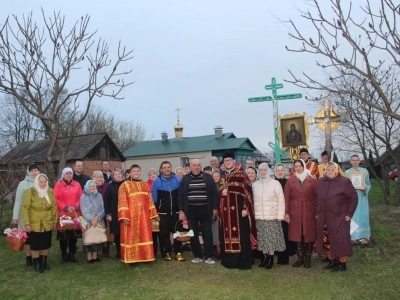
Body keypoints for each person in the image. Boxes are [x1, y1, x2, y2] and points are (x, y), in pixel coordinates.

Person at [219, 150, 257, 270]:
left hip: (239, 212)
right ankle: (230, 261)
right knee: (227, 236)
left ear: (234, 161)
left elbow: (248, 193)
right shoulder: (223, 176)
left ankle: (242, 261)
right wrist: (221, 191)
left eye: (229, 160)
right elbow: (219, 193)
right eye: (225, 160)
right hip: (227, 213)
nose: (228, 162)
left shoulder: (241, 174)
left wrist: (246, 208)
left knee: (242, 236)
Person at [316, 162, 358, 272]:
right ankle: (332, 261)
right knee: (327, 239)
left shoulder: (344, 182)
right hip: (324, 217)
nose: (330, 172)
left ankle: (342, 264)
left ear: (337, 170)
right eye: (327, 170)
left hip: (339, 217)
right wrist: (317, 212)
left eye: (332, 169)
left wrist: (349, 213)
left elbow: (353, 198)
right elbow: (316, 198)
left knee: (340, 240)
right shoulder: (321, 182)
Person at [178, 159, 218, 264]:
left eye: (198, 165)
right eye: (194, 165)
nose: (196, 167)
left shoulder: (208, 177)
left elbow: (214, 194)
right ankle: (198, 255)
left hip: (205, 209)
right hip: (190, 210)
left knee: (208, 232)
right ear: (190, 167)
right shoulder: (185, 179)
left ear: (201, 166)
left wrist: (214, 208)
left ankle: (209, 256)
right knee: (193, 233)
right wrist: (181, 210)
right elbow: (181, 195)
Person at [118, 164, 159, 267]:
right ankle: (132, 259)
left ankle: (146, 257)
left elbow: (150, 200)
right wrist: (124, 217)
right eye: (134, 171)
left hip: (144, 216)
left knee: (144, 235)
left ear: (140, 172)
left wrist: (154, 214)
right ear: (130, 173)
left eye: (138, 171)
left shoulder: (145, 184)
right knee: (132, 237)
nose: (136, 172)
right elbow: (122, 201)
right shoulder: (125, 185)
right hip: (131, 217)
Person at [284, 159, 317, 268]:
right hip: (295, 210)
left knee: (308, 233)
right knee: (297, 234)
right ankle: (300, 258)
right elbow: (286, 197)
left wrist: (317, 211)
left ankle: (308, 258)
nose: (298, 168)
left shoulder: (312, 179)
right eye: (296, 166)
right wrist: (287, 212)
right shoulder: (291, 180)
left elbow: (317, 197)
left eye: (300, 166)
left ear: (303, 166)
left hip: (309, 210)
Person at [252, 163, 285, 270]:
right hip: (259, 216)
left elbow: (281, 200)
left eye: (265, 170)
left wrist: (280, 215)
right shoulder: (255, 185)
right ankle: (265, 257)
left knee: (271, 239)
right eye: (261, 170)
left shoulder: (275, 183)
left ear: (269, 171)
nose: (263, 172)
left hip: (272, 216)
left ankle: (271, 258)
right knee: (262, 239)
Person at [21, 174, 57, 273]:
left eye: (44, 182)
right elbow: (25, 208)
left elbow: (54, 207)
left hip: (47, 222)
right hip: (34, 223)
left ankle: (44, 262)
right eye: (41, 182)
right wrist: (27, 223)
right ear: (37, 182)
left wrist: (54, 221)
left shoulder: (50, 191)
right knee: (35, 244)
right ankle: (37, 263)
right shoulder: (30, 192)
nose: (43, 184)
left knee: (45, 243)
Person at [152, 161, 184, 261]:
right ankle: (167, 253)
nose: (166, 169)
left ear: (171, 168)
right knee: (165, 234)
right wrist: (156, 213)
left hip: (177, 212)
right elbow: (155, 199)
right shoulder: (156, 181)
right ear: (161, 169)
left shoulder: (178, 180)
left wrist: (182, 211)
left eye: (168, 167)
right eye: (164, 167)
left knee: (177, 233)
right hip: (163, 213)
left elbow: (182, 197)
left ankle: (178, 252)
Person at [12, 163, 40, 267]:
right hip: (25, 215)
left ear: (39, 171)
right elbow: (18, 201)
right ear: (28, 172)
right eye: (32, 170)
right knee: (27, 238)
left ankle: (37, 256)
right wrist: (15, 218)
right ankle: (28, 257)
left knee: (36, 237)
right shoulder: (22, 184)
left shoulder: (42, 182)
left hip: (38, 215)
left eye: (36, 170)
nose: (34, 172)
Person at [54, 167, 83, 263]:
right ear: (63, 175)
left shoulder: (77, 185)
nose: (69, 175)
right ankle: (64, 254)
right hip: (63, 214)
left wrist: (75, 206)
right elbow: (56, 199)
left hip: (74, 213)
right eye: (67, 174)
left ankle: (72, 254)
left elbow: (80, 197)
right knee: (63, 236)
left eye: (70, 173)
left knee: (73, 236)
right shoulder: (58, 185)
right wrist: (65, 207)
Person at [345, 155, 372, 245]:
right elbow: (345, 185)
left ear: (360, 161)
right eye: (353, 160)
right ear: (350, 161)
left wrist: (365, 188)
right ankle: (353, 237)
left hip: (362, 197)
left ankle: (363, 237)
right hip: (351, 197)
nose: (355, 162)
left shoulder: (364, 171)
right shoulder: (347, 173)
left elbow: (368, 183)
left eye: (357, 160)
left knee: (363, 215)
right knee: (353, 216)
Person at [80, 180, 107, 264]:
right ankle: (89, 257)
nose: (92, 188)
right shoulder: (83, 196)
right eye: (90, 186)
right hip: (88, 221)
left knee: (98, 238)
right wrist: (92, 219)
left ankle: (95, 256)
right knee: (89, 238)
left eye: (93, 186)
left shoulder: (99, 195)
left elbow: (102, 208)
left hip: (98, 220)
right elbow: (84, 210)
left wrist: (97, 217)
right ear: (87, 187)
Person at [274, 164, 296, 265]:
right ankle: (278, 254)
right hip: (275, 212)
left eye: (281, 170)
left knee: (285, 234)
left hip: (286, 212)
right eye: (278, 170)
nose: (280, 172)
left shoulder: (289, 182)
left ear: (285, 171)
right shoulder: (272, 183)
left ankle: (285, 256)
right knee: (277, 234)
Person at [104, 167, 125, 260]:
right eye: (116, 174)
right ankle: (119, 252)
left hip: (125, 213)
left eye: (119, 174)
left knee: (126, 232)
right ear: (113, 175)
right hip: (115, 213)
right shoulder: (110, 186)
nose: (118, 175)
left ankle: (126, 251)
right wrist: (108, 214)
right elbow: (106, 201)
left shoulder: (126, 184)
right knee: (117, 233)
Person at [146, 168, 163, 258]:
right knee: (153, 232)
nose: (152, 175)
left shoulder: (161, 183)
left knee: (161, 232)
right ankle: (154, 252)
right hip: (151, 212)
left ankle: (163, 251)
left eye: (154, 174)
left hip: (160, 210)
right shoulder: (146, 185)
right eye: (150, 174)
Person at [92, 170, 110, 257]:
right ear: (93, 178)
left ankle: (106, 250)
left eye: (100, 177)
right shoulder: (91, 187)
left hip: (104, 212)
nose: (98, 179)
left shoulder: (107, 187)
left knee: (106, 231)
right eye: (96, 177)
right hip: (94, 214)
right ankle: (96, 250)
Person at [211, 169, 221, 259]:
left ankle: (221, 249)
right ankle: (215, 249)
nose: (215, 178)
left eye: (217, 176)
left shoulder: (222, 186)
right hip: (213, 211)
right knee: (214, 231)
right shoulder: (210, 186)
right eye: (214, 176)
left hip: (222, 211)